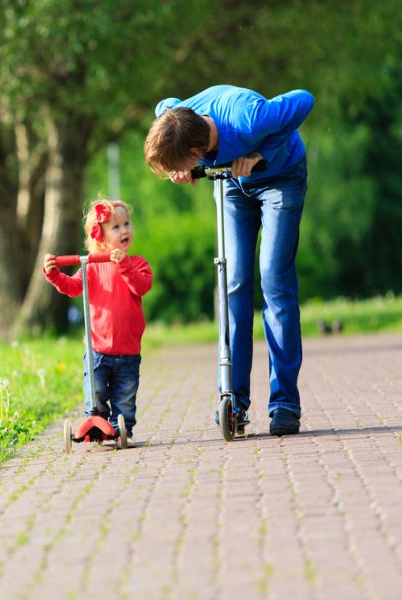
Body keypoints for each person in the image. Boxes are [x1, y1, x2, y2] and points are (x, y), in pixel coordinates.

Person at [143, 85, 314, 436]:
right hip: (234, 185)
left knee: (273, 280)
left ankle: (284, 403)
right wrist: (180, 170)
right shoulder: (176, 116)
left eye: (184, 164)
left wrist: (261, 152)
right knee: (233, 282)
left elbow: (303, 99)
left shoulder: (248, 119)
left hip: (281, 179)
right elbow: (164, 104)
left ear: (196, 150)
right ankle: (233, 399)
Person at [43, 199, 153, 445]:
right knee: (96, 393)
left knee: (125, 396)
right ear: (100, 237)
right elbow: (72, 287)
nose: (125, 230)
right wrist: (55, 275)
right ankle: (98, 427)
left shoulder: (137, 264)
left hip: (128, 349)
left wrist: (123, 264)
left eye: (127, 224)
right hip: (98, 349)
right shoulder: (91, 267)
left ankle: (123, 430)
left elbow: (142, 285)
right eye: (116, 227)